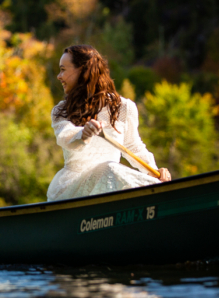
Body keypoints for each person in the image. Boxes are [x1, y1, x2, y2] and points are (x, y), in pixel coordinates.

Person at [47, 44, 171, 202]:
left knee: (111, 169)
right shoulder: (60, 110)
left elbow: (133, 147)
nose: (58, 76)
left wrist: (154, 173)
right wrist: (82, 134)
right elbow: (65, 136)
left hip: (112, 186)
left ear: (83, 71)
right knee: (109, 168)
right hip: (72, 191)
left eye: (63, 69)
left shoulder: (124, 107)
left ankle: (161, 195)